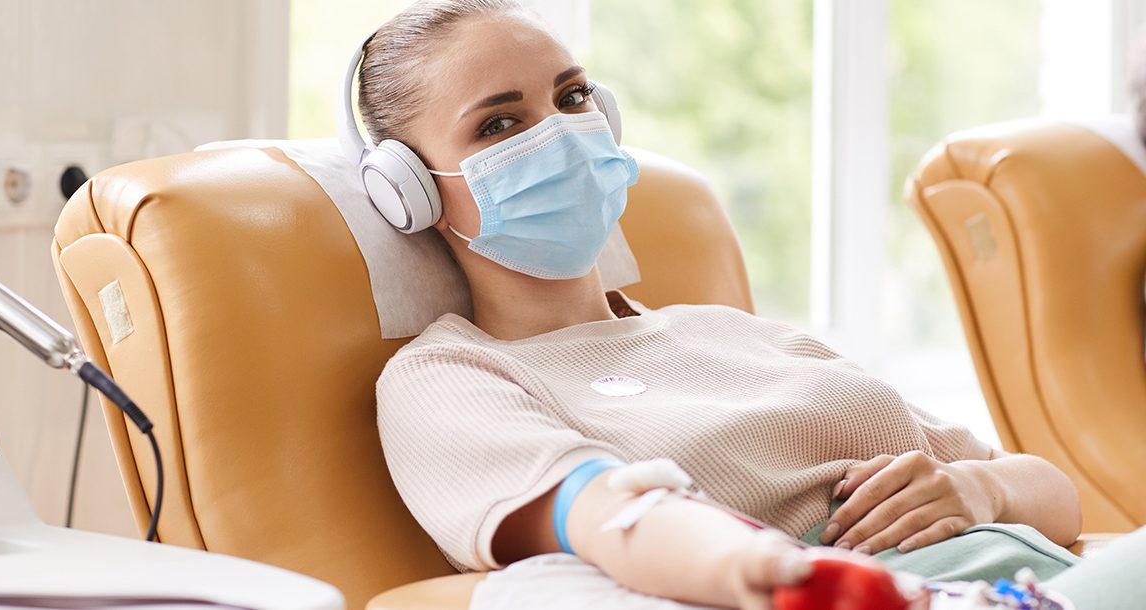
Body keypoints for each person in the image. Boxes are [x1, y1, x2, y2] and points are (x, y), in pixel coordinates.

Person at [362, 1, 1143, 608]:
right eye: (500, 124)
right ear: (410, 189)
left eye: (573, 97)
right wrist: (789, 577)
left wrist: (980, 489)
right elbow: (609, 516)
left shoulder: (732, 332)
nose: (560, 136)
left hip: (1036, 579)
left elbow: (1055, 495)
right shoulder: (449, 377)